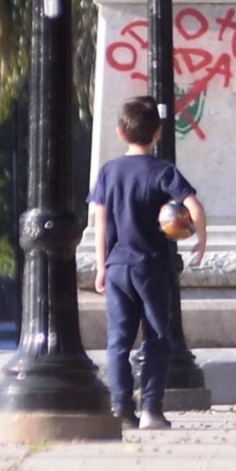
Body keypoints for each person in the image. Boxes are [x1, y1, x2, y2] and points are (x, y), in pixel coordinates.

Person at [89, 96, 207, 430]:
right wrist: (201, 238)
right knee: (156, 337)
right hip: (152, 265)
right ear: (158, 132)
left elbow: (101, 222)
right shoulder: (163, 171)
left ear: (120, 132)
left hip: (117, 265)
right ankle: (152, 409)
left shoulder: (109, 171)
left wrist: (101, 266)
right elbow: (194, 207)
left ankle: (122, 409)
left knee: (118, 341)